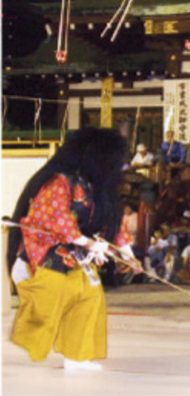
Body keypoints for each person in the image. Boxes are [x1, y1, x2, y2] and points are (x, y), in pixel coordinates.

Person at [7, 128, 142, 371]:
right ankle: (29, 337)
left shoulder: (99, 189)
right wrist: (88, 242)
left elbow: (115, 224)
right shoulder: (60, 182)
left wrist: (129, 256)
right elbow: (56, 218)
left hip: (78, 257)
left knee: (90, 299)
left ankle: (77, 356)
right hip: (46, 254)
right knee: (54, 296)